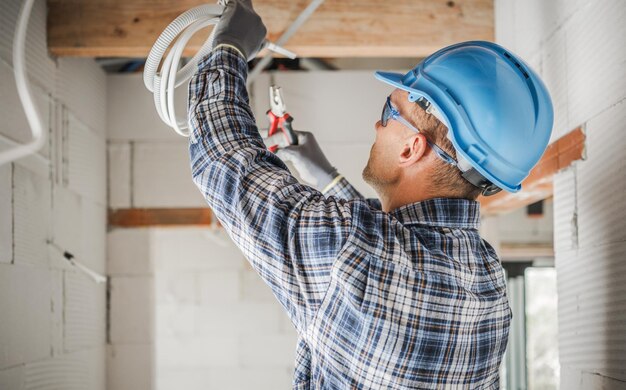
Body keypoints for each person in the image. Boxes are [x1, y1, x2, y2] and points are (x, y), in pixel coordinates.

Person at [188, 1, 553, 388]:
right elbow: (382, 252)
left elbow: (223, 158)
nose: (377, 124)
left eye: (388, 111)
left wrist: (229, 46)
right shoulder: (485, 278)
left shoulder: (355, 249)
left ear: (412, 148)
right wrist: (325, 177)